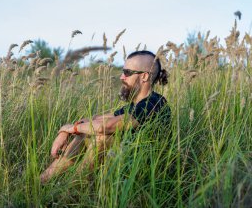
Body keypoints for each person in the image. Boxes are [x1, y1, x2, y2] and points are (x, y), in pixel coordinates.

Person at [40, 50, 171, 183]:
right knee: (84, 132)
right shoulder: (131, 107)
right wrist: (64, 131)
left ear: (144, 76)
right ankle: (43, 181)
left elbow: (105, 126)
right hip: (123, 165)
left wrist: (72, 129)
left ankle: (72, 191)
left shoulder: (154, 103)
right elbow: (93, 120)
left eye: (127, 73)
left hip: (145, 173)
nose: (121, 77)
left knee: (102, 136)